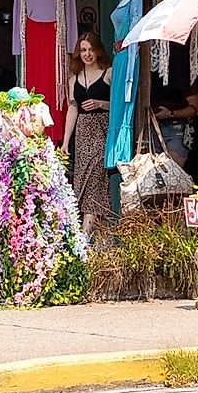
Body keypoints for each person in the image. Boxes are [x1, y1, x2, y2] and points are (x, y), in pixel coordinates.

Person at [65, 32, 115, 241]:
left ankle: (84, 238)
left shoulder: (109, 73)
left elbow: (120, 107)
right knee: (83, 184)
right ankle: (102, 239)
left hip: (102, 132)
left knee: (95, 180)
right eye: (83, 50)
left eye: (91, 50)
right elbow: (72, 109)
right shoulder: (74, 79)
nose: (87, 54)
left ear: (98, 51)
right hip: (83, 135)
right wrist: (66, 141)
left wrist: (100, 104)